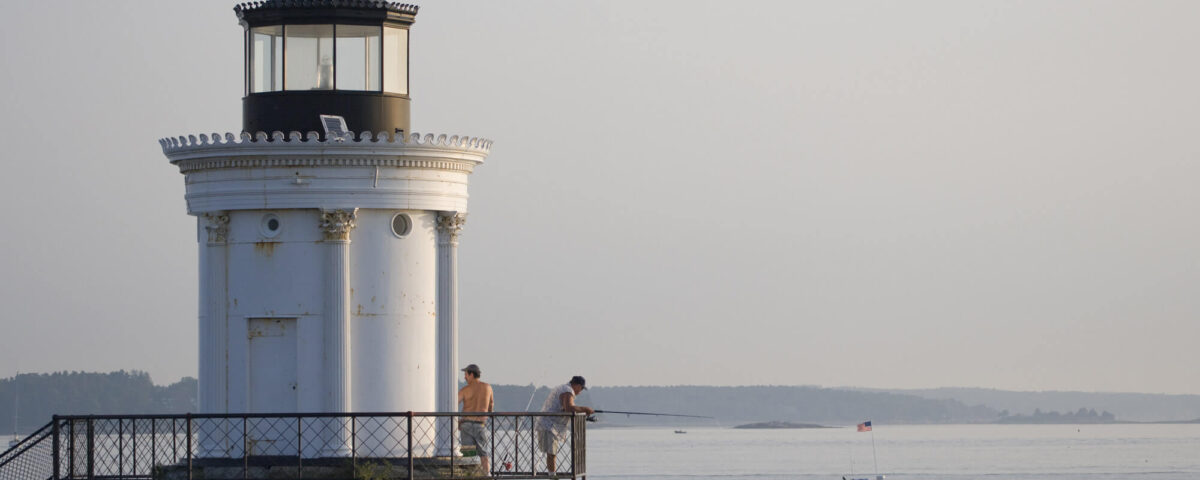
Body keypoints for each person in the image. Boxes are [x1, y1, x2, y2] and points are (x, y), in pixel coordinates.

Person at [536, 376, 593, 474]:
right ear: (577, 385)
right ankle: (553, 477)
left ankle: (552, 475)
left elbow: (564, 408)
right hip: (549, 425)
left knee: (551, 453)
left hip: (547, 424)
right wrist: (586, 409)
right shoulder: (568, 390)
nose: (580, 392)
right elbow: (569, 408)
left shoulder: (563, 388)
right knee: (551, 453)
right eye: (581, 389)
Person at [457, 364, 494, 473]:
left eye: (466, 375)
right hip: (480, 424)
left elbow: (454, 403)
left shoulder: (464, 390)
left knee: (468, 454)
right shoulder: (488, 387)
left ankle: (469, 475)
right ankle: (487, 475)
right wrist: (488, 414)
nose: (464, 377)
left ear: (471, 374)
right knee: (484, 453)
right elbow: (491, 405)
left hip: (466, 424)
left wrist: (458, 421)